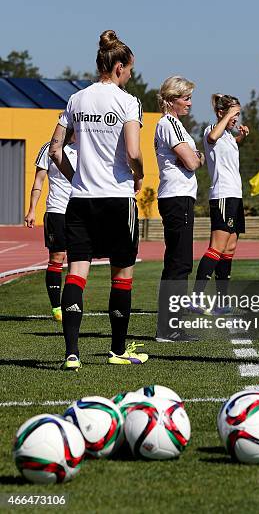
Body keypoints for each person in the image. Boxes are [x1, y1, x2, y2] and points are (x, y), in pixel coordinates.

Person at [48, 30, 148, 371]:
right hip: (117, 198)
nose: (131, 75)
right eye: (131, 69)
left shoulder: (76, 100)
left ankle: (72, 354)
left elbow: (56, 148)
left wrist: (74, 176)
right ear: (119, 67)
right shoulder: (128, 101)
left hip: (80, 199)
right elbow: (133, 152)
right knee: (122, 274)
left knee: (76, 272)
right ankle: (118, 349)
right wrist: (140, 174)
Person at [154, 76, 204, 342]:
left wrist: (195, 158)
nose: (189, 103)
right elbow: (192, 162)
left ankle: (170, 325)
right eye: (185, 98)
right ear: (171, 100)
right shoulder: (169, 123)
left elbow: (193, 160)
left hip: (178, 196)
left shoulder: (174, 124)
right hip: (176, 196)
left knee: (177, 262)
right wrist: (196, 158)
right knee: (179, 263)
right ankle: (170, 327)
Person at [192, 94, 249, 313]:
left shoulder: (228, 136)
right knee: (216, 247)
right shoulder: (211, 130)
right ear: (221, 113)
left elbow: (225, 145)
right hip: (222, 195)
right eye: (234, 113)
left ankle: (222, 302)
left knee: (230, 248)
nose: (236, 118)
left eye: (237, 114)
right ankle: (195, 298)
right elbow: (212, 139)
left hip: (235, 196)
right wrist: (227, 117)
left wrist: (240, 138)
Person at [25, 130, 77, 321]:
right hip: (57, 209)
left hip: (80, 210)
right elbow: (38, 181)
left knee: (78, 258)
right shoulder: (48, 149)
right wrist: (32, 210)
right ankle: (57, 307)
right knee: (57, 256)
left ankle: (72, 303)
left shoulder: (86, 149)